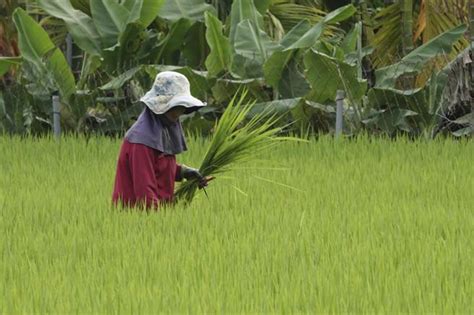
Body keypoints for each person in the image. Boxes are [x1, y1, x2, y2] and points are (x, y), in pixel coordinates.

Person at [112, 71, 212, 210]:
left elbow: (158, 167)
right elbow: (145, 194)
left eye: (181, 108)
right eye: (175, 108)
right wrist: (161, 225)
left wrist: (183, 172)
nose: (178, 114)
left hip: (157, 214)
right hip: (135, 219)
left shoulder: (162, 129)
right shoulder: (141, 142)